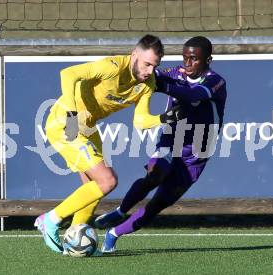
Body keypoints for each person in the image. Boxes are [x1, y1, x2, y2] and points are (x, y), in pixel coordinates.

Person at [34, 34, 186, 254]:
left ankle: (75, 238)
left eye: (155, 66)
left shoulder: (147, 84)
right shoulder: (112, 67)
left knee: (93, 187)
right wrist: (70, 109)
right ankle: (50, 220)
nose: (150, 71)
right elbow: (68, 74)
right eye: (146, 64)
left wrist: (163, 118)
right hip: (67, 122)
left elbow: (140, 121)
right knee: (108, 181)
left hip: (89, 127)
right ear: (134, 55)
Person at [94, 36, 227, 253]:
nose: (188, 63)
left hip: (197, 153)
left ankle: (113, 234)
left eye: (194, 59)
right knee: (155, 175)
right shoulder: (173, 74)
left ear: (208, 60)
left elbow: (192, 94)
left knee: (157, 205)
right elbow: (144, 73)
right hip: (172, 139)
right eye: (185, 58)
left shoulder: (215, 81)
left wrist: (160, 84)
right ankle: (120, 211)